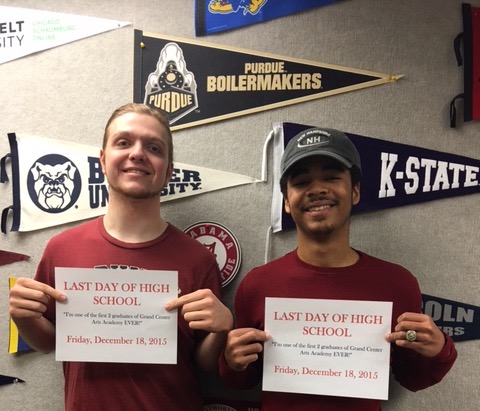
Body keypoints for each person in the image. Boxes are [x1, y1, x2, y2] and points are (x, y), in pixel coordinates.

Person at [9, 103, 234, 411]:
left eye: (153, 147)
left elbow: (204, 363)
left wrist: (222, 329)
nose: (137, 153)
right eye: (123, 142)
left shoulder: (198, 259)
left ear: (168, 171)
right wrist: (24, 318)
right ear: (103, 160)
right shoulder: (62, 248)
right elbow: (49, 343)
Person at [219, 127, 457, 410]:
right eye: (302, 181)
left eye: (332, 177)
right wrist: (231, 361)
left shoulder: (397, 283)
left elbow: (412, 379)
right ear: (286, 201)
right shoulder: (258, 285)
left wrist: (439, 350)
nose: (317, 189)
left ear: (355, 191)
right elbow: (243, 381)